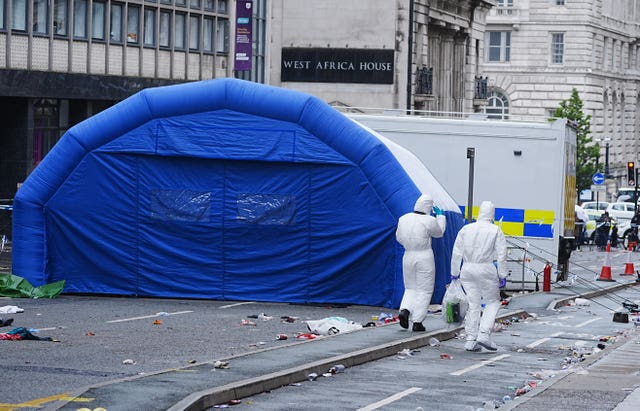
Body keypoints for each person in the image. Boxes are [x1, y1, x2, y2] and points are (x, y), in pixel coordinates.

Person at [450, 201, 507, 352]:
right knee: (492, 302)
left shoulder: (466, 229)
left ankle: (470, 339)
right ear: (492, 214)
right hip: (486, 267)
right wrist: (502, 274)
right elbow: (501, 255)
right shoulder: (495, 230)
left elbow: (456, 252)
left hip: (467, 269)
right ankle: (484, 334)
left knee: (473, 304)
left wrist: (455, 273)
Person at [396, 193, 446, 332]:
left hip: (408, 255)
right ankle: (417, 321)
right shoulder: (429, 220)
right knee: (424, 290)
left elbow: (399, 238)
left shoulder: (403, 219)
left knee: (410, 288)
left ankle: (404, 310)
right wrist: (440, 217)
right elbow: (439, 233)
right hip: (424, 256)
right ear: (429, 207)